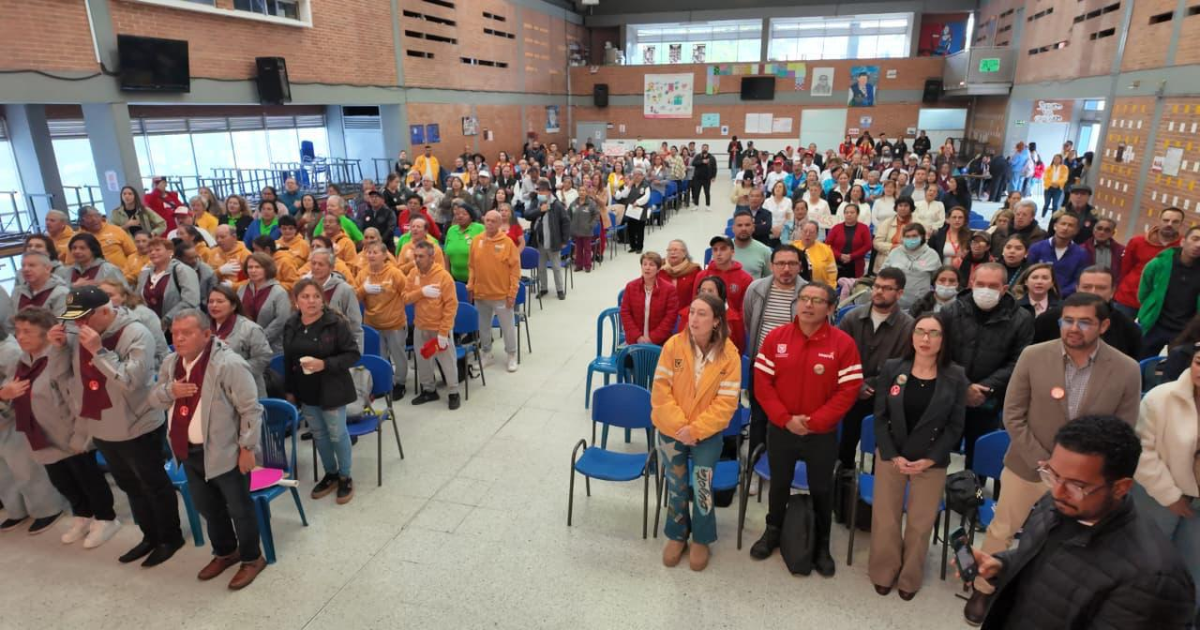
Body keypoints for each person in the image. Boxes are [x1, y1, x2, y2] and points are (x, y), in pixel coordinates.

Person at [964, 293, 1142, 623]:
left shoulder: (1126, 370)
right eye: (1067, 320)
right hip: (1029, 465)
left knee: (1071, 542)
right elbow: (1013, 414)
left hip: (1086, 482)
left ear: (1103, 325)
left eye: (1084, 321)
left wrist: (1079, 472)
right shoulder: (1034, 356)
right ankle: (983, 588)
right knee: (1003, 528)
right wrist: (1046, 462)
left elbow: (1123, 430)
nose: (1073, 328)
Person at [968, 416, 1196, 629]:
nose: (1057, 491)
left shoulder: (1151, 582)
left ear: (1120, 487)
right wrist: (1002, 566)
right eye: (1053, 475)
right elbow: (1044, 558)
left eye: (1077, 486)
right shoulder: (1059, 502)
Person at [52, 285, 183, 566]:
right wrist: (59, 348)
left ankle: (170, 538)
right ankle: (149, 536)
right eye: (74, 319)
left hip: (137, 423)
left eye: (83, 318)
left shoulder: (136, 333)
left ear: (103, 311)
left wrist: (98, 351)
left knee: (153, 484)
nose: (77, 324)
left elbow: (130, 382)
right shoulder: (80, 333)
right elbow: (64, 376)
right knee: (130, 486)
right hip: (101, 423)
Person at [147, 309, 266, 589]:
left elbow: (251, 408)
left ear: (206, 334)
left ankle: (252, 557)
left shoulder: (228, 364)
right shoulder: (171, 363)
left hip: (226, 451)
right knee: (208, 508)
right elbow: (154, 399)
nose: (179, 339)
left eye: (186, 333)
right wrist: (170, 392)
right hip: (187, 450)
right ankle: (226, 551)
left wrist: (247, 448)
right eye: (175, 333)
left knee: (240, 508)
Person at [749, 282, 862, 576]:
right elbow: (762, 384)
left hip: (820, 434)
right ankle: (773, 530)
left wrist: (814, 423)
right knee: (779, 484)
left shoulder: (843, 344)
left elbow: (848, 391)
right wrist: (785, 419)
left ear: (831, 308)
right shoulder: (776, 338)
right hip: (782, 429)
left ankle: (822, 543)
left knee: (822, 488)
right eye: (804, 298)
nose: (808, 305)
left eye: (817, 300)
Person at [870, 311, 966, 599]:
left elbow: (955, 425)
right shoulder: (892, 368)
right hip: (892, 454)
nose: (925, 339)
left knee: (920, 523)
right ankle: (884, 571)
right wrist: (891, 454)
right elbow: (879, 416)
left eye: (933, 333)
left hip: (930, 459)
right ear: (911, 336)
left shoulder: (956, 376)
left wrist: (931, 458)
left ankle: (910, 577)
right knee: (885, 519)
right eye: (920, 331)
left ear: (944, 338)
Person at [4, 307, 116, 542]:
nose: (20, 337)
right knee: (62, 481)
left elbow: (77, 398)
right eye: (18, 331)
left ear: (46, 334)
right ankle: (82, 515)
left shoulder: (60, 356)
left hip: (69, 432)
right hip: (41, 435)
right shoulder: (22, 361)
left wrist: (80, 435)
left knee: (88, 478)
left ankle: (105, 518)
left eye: (27, 331)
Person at [652, 293, 741, 571]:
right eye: (691, 312)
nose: (693, 319)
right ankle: (677, 534)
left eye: (702, 314)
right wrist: (681, 427)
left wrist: (697, 430)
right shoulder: (673, 346)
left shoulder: (730, 355)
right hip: (671, 430)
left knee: (702, 487)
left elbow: (727, 403)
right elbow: (660, 392)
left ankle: (702, 537)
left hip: (707, 434)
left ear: (716, 321)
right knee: (677, 486)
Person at [941, 263, 1034, 469]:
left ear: (1004, 289)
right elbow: (940, 353)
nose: (985, 290)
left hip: (989, 400)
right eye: (980, 284)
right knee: (938, 455)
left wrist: (986, 388)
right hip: (949, 395)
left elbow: (1019, 361)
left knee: (978, 461)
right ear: (971, 284)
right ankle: (936, 496)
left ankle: (974, 495)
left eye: (992, 286)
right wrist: (964, 386)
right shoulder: (950, 311)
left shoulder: (1022, 318)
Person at [283, 278, 362, 507]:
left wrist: (324, 364)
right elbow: (289, 359)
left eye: (316, 296)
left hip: (333, 388)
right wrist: (289, 389)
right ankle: (331, 473)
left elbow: (352, 354)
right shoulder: (291, 324)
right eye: (305, 297)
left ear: (323, 299)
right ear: (296, 301)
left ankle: (346, 476)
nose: (311, 301)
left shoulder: (335, 323)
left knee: (337, 433)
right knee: (319, 434)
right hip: (305, 389)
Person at [1134, 346, 1200, 616]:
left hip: (1197, 504)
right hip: (1155, 495)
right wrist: (1170, 496)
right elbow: (1142, 452)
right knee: (1148, 568)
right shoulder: (1160, 398)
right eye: (1199, 362)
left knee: (1193, 574)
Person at [837, 268, 914, 470]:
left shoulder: (908, 327)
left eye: (887, 288)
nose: (879, 291)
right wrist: (856, 384)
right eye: (877, 286)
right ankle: (842, 486)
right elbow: (836, 355)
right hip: (850, 392)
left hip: (888, 398)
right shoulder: (852, 318)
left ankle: (875, 488)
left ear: (899, 293)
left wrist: (872, 385)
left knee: (883, 452)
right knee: (844, 444)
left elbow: (905, 366)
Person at [0, 320, 64, 534]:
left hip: (9, 416)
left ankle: (47, 509)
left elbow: (16, 385)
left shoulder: (9, 351)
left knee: (25, 467)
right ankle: (16, 510)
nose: (21, 335)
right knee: (4, 472)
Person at [742, 246, 807, 455]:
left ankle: (780, 468)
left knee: (786, 421)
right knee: (759, 418)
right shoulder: (756, 289)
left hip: (794, 371)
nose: (786, 269)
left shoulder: (809, 294)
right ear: (771, 266)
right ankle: (755, 466)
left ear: (800, 266)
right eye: (780, 263)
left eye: (792, 264)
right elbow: (748, 320)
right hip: (761, 367)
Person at [1032, 266, 1143, 359]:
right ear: (1077, 288)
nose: (1093, 292)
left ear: (1112, 292)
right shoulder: (1048, 320)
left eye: (1101, 288)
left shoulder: (1128, 328)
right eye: (1086, 287)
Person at [405, 241, 460, 410]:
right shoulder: (413, 273)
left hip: (439, 328)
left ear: (432, 257)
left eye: (421, 256)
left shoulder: (443, 277)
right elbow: (405, 298)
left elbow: (451, 306)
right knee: (422, 361)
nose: (417, 259)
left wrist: (444, 332)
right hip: (420, 325)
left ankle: (453, 392)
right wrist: (421, 292)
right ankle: (429, 390)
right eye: (415, 256)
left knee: (447, 362)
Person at [467, 211, 521, 373]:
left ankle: (511, 355)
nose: (489, 223)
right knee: (483, 327)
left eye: (493, 221)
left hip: (501, 295)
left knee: (507, 327)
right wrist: (471, 284)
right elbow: (472, 266)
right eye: (487, 220)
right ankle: (487, 354)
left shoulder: (507, 242)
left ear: (499, 224)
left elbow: (515, 270)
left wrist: (512, 293)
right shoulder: (477, 241)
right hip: (481, 294)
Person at [356, 242, 411, 397]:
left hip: (394, 323)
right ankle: (384, 382)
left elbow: (407, 294)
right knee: (380, 356)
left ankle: (400, 383)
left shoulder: (394, 273)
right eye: (368, 252)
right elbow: (354, 297)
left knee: (398, 356)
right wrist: (363, 290)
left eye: (375, 252)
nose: (371, 255)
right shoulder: (362, 274)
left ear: (385, 255)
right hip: (372, 323)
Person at [1138, 225, 1200, 358]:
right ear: (1183, 241)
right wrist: (1151, 308)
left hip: (1185, 330)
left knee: (1175, 368)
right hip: (1155, 324)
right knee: (1140, 362)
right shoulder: (1159, 263)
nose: (1198, 245)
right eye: (1195, 239)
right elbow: (1143, 292)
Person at [1114, 207, 1184, 318]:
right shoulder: (1137, 241)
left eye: (1175, 222)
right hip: (1129, 298)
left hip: (1159, 304)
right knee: (1118, 333)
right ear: (1159, 221)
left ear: (1181, 225)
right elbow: (1124, 269)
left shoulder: (1183, 246)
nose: (1169, 224)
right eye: (1166, 220)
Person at [206, 286, 272, 398]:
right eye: (211, 301)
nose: (214, 305)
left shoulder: (250, 328)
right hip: (213, 390)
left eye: (220, 301)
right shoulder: (204, 327)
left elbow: (263, 358)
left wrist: (233, 370)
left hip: (245, 389)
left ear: (233, 305)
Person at [96, 280, 170, 368]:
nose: (104, 300)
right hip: (113, 366)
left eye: (109, 295)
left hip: (148, 367)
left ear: (124, 297)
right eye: (99, 296)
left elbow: (161, 353)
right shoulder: (96, 317)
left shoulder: (144, 314)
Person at [135, 237, 200, 330]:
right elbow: (137, 299)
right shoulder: (144, 272)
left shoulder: (182, 270)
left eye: (157, 250)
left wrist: (166, 320)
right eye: (150, 251)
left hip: (178, 326)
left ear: (170, 252)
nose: (153, 253)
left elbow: (190, 300)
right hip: (150, 327)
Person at [306, 248, 364, 352]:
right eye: (313, 263)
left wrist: (356, 353)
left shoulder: (345, 290)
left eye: (321, 264)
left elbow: (355, 325)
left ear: (331, 267)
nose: (316, 267)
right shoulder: (304, 287)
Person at [620, 252, 680, 346]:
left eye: (651, 265)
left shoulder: (669, 289)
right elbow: (625, 313)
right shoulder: (631, 287)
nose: (647, 267)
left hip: (660, 342)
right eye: (644, 264)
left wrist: (652, 338)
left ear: (658, 269)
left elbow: (670, 317)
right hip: (634, 341)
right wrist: (637, 336)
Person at [238, 252, 290, 353]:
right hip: (243, 345)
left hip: (271, 347)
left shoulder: (279, 292)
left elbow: (281, 321)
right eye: (250, 267)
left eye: (258, 267)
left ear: (267, 269)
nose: (253, 270)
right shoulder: (242, 289)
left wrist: (258, 339)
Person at [1027, 211, 1088, 297]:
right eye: (1063, 224)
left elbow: (1078, 280)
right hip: (1036, 295)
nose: (1065, 228)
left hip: (1065, 299)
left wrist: (1060, 294)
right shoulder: (1036, 248)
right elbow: (1027, 273)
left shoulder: (1081, 254)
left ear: (1076, 231)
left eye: (1070, 225)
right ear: (1055, 226)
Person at [529, 179, 572, 299]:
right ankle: (543, 288)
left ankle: (559, 290)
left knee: (556, 267)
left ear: (548, 192)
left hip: (553, 241)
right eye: (539, 191)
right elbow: (527, 214)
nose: (540, 194)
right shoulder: (536, 203)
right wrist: (539, 210)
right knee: (541, 267)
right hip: (539, 241)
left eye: (543, 191)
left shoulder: (556, 204)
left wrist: (564, 240)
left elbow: (566, 222)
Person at [883, 223, 941, 310]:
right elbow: (883, 274)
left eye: (914, 236)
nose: (911, 239)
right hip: (895, 302)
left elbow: (939, 279)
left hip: (920, 305)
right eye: (907, 236)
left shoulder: (932, 255)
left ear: (922, 236)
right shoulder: (895, 252)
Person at [13, 252, 69, 317]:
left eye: (32, 265)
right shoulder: (17, 292)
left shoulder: (62, 293)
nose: (26, 269)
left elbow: (64, 324)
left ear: (47, 269)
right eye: (23, 266)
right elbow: (12, 321)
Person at [826, 203, 872, 279]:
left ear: (857, 214)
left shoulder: (864, 228)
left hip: (856, 264)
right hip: (836, 263)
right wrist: (840, 255)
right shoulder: (836, 228)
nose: (849, 215)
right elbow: (828, 245)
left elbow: (868, 245)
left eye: (852, 212)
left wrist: (852, 256)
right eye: (846, 212)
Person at [872, 196, 916, 274]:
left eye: (906, 206)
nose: (903, 208)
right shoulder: (886, 222)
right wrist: (894, 247)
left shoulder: (917, 224)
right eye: (900, 205)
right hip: (886, 261)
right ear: (896, 207)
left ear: (911, 208)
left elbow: (922, 244)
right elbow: (876, 243)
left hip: (909, 263)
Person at [661, 240, 701, 321]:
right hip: (661, 316)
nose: (672, 252)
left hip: (686, 316)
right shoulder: (659, 269)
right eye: (670, 250)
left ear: (684, 253)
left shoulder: (695, 270)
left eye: (676, 250)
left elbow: (699, 296)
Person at [615, 171, 651, 255]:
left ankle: (639, 247)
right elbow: (623, 195)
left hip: (640, 210)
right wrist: (629, 185)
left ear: (642, 176)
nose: (636, 177)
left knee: (640, 229)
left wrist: (638, 202)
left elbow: (647, 197)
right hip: (631, 210)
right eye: (635, 175)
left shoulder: (645, 185)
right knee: (631, 229)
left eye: (638, 175)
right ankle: (633, 246)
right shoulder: (631, 185)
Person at [568, 182, 600, 273]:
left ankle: (587, 265)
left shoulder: (591, 203)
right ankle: (579, 265)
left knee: (587, 249)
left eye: (583, 190)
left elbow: (596, 215)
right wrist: (571, 225)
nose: (581, 192)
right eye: (580, 190)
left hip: (587, 231)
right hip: (576, 231)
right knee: (578, 248)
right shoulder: (574, 203)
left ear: (586, 192)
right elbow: (568, 215)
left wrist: (591, 225)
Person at [793, 221, 837, 286]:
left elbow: (832, 273)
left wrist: (830, 289)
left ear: (817, 235)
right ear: (801, 233)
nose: (807, 234)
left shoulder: (826, 250)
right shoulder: (792, 248)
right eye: (805, 231)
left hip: (820, 288)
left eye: (811, 232)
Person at [731, 211, 772, 279]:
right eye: (739, 225)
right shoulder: (722, 249)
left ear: (753, 227)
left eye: (747, 225)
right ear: (733, 228)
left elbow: (771, 279)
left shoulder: (765, 251)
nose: (743, 228)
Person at [690, 144, 716, 210]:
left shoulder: (712, 157)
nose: (704, 149)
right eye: (703, 148)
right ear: (701, 148)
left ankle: (708, 205)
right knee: (696, 192)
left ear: (708, 149)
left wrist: (713, 176)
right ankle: (696, 205)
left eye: (706, 148)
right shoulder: (698, 156)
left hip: (707, 178)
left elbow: (714, 168)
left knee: (707, 192)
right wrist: (702, 161)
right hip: (697, 178)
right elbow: (693, 163)